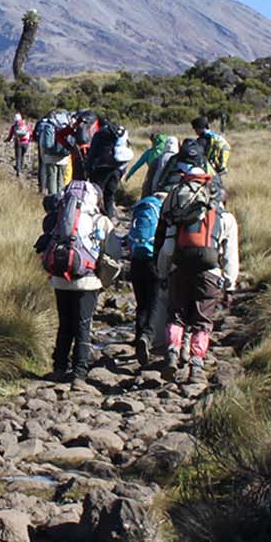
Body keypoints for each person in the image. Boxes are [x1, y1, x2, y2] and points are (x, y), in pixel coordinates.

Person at [157, 176, 240, 379]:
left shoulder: (182, 213)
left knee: (176, 315)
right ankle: (196, 364)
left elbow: (168, 249)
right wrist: (229, 285)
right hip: (210, 273)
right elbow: (230, 256)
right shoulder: (226, 219)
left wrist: (163, 273)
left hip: (180, 269)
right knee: (202, 321)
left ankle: (172, 352)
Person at [37, 181, 114, 383]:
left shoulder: (59, 217)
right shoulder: (101, 220)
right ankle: (79, 371)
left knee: (64, 324)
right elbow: (111, 252)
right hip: (88, 281)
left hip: (60, 278)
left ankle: (59, 367)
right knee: (83, 325)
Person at [124, 189, 167, 366]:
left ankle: (138, 337)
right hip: (154, 260)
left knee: (141, 303)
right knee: (154, 302)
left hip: (136, 260)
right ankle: (147, 337)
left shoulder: (140, 208)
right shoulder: (163, 214)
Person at [125, 133, 174, 200]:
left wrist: (129, 175)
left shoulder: (149, 153)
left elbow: (137, 165)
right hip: (167, 178)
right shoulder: (170, 154)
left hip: (151, 176)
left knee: (147, 195)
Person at [5, 111, 33, 178]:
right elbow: (31, 133)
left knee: (18, 156)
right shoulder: (26, 124)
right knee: (22, 155)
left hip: (18, 142)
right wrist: (30, 139)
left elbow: (11, 135)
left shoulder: (14, 126)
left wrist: (7, 140)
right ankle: (21, 168)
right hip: (26, 143)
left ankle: (18, 170)